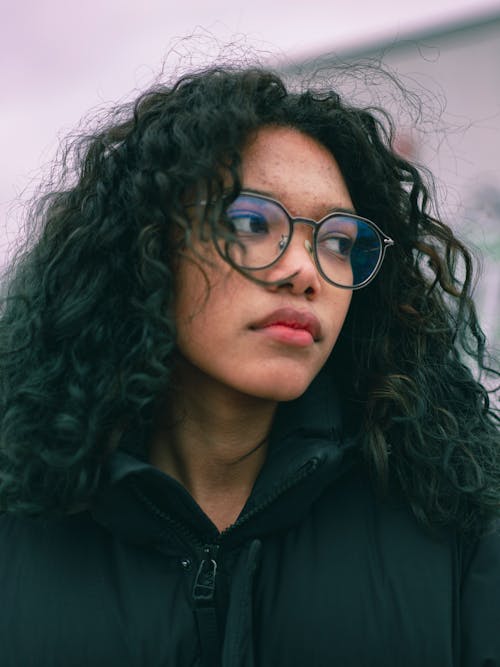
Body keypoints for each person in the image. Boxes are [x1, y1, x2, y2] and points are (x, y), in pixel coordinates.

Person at [0, 65, 499, 667]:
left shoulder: (453, 522)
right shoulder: (22, 519)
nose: (305, 271)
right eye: (250, 223)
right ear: (148, 245)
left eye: (339, 241)